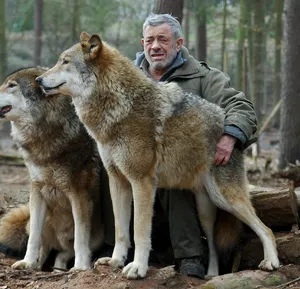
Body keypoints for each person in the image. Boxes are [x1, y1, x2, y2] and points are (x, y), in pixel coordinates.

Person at [101, 13, 258, 279]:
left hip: (180, 175)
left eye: (163, 39)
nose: (155, 46)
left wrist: (230, 136)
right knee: (109, 171)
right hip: (137, 169)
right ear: (142, 43)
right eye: (149, 40)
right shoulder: (126, 79)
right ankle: (110, 248)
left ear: (178, 42)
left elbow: (242, 108)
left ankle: (190, 257)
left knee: (172, 171)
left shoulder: (203, 76)